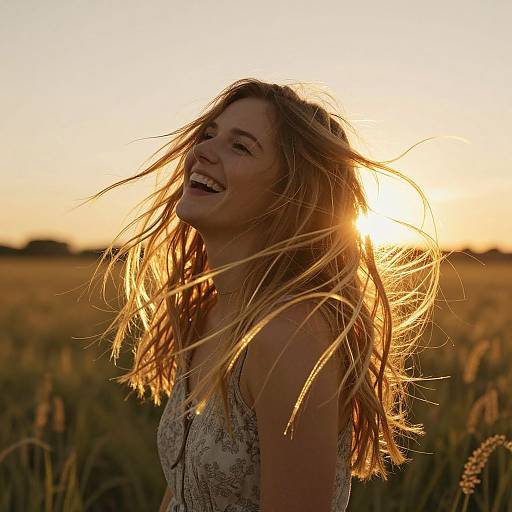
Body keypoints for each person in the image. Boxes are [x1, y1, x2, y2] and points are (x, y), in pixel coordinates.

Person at [85, 78, 442, 511]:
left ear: (287, 194)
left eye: (241, 146)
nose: (201, 151)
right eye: (208, 134)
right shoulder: (208, 315)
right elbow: (183, 490)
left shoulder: (290, 336)